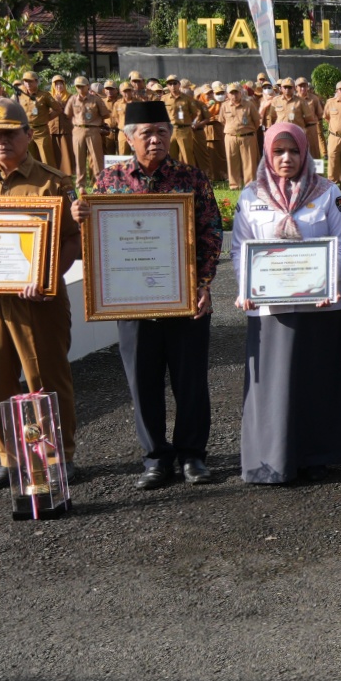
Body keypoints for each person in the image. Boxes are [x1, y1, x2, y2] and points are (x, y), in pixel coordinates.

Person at [77, 101, 223, 488]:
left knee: (190, 381)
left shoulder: (192, 179)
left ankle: (192, 455)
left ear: (171, 134)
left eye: (162, 130)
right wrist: (81, 218)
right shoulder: (109, 181)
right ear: (128, 138)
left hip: (185, 298)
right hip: (132, 301)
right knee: (142, 382)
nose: (155, 138)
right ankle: (156, 458)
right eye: (146, 132)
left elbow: (211, 234)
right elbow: (96, 243)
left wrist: (204, 285)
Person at [230, 123, 341, 484]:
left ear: (305, 152)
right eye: (278, 152)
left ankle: (319, 455)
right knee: (274, 386)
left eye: (293, 151)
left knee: (318, 381)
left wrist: (328, 280)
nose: (286, 159)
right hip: (270, 309)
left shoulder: (328, 193)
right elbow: (239, 249)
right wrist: (246, 285)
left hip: (322, 307)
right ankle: (274, 459)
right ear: (267, 153)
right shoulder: (251, 195)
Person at [0, 99, 83, 493]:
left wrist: (46, 277)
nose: (0, 140)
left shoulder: (53, 182)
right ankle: (9, 458)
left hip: (37, 299)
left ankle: (59, 455)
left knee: (46, 377)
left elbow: (74, 241)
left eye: (10, 132)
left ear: (28, 133)